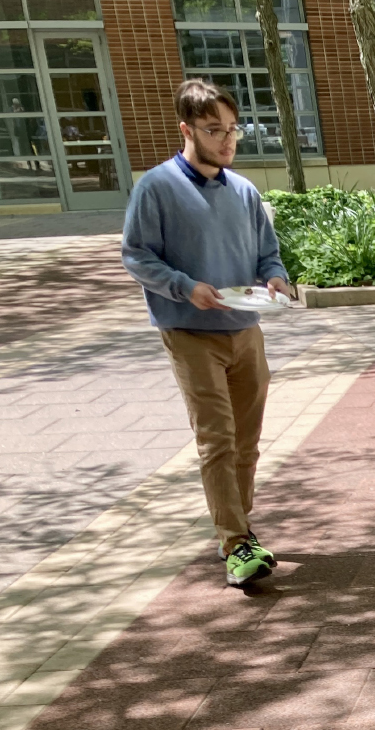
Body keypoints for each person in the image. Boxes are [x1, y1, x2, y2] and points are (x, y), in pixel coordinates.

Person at [121, 78, 291, 590]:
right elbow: (136, 254)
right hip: (190, 331)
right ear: (187, 129)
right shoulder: (156, 187)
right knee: (216, 441)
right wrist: (183, 286)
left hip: (246, 327)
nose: (227, 140)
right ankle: (236, 544)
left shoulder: (243, 190)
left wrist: (275, 277)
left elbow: (268, 252)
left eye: (232, 130)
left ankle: (240, 529)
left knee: (248, 443)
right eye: (214, 130)